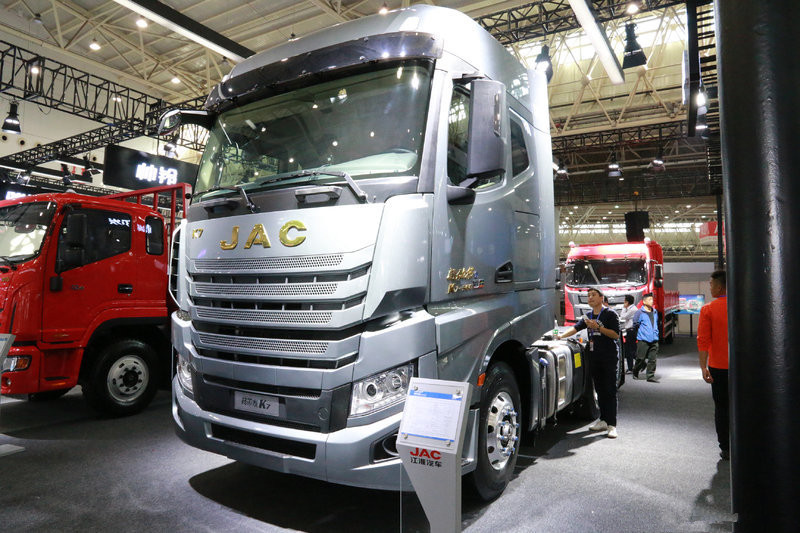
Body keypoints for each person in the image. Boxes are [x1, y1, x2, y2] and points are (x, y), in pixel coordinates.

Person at [557, 287, 620, 438]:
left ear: (601, 297)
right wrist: (560, 337)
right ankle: (603, 420)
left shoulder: (610, 314)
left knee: (609, 391)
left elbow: (615, 335)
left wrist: (598, 327)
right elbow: (575, 328)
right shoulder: (588, 316)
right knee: (599, 389)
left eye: (593, 295)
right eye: (588, 295)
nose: (590, 298)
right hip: (594, 357)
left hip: (609, 357)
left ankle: (612, 425)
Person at [697, 270, 729, 460]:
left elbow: (703, 340)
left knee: (722, 408)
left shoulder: (708, 309)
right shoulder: (741, 305)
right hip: (743, 368)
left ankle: (726, 447)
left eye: (711, 284)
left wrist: (703, 367)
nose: (710, 287)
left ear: (719, 286)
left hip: (718, 367)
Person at [632, 292, 659, 382]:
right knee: (640, 358)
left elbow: (656, 323)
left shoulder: (655, 312)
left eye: (652, 299)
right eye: (649, 299)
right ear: (644, 301)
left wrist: (656, 333)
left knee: (652, 359)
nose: (652, 301)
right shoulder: (639, 313)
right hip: (643, 339)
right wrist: (640, 335)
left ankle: (650, 376)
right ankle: (635, 371)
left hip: (654, 339)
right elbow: (635, 325)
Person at [618, 295, 639, 373]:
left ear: (627, 302)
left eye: (625, 301)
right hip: (630, 331)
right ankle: (633, 366)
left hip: (631, 331)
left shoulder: (633, 309)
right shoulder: (631, 309)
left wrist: (624, 308)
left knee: (630, 350)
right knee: (631, 350)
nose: (624, 303)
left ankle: (634, 366)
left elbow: (623, 316)